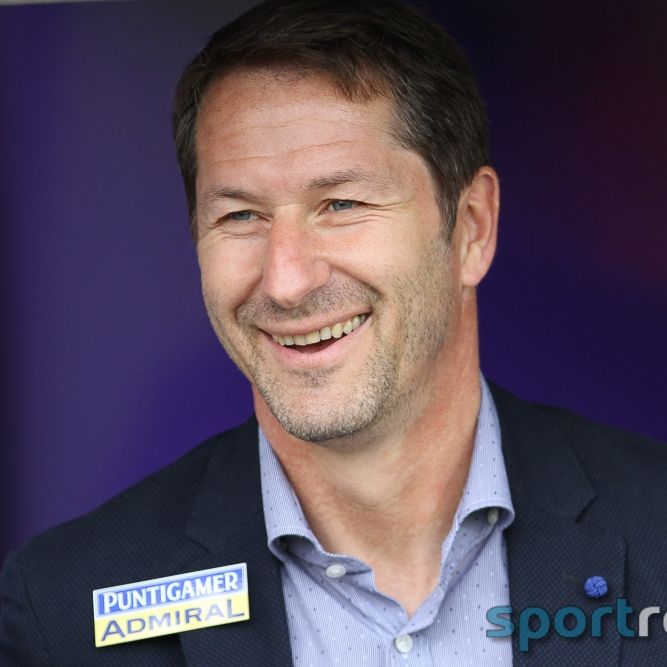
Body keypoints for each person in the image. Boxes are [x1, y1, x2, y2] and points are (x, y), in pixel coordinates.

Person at [1, 0, 666, 664]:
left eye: (341, 204)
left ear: (471, 228)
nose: (286, 280)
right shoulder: (66, 609)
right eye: (240, 216)